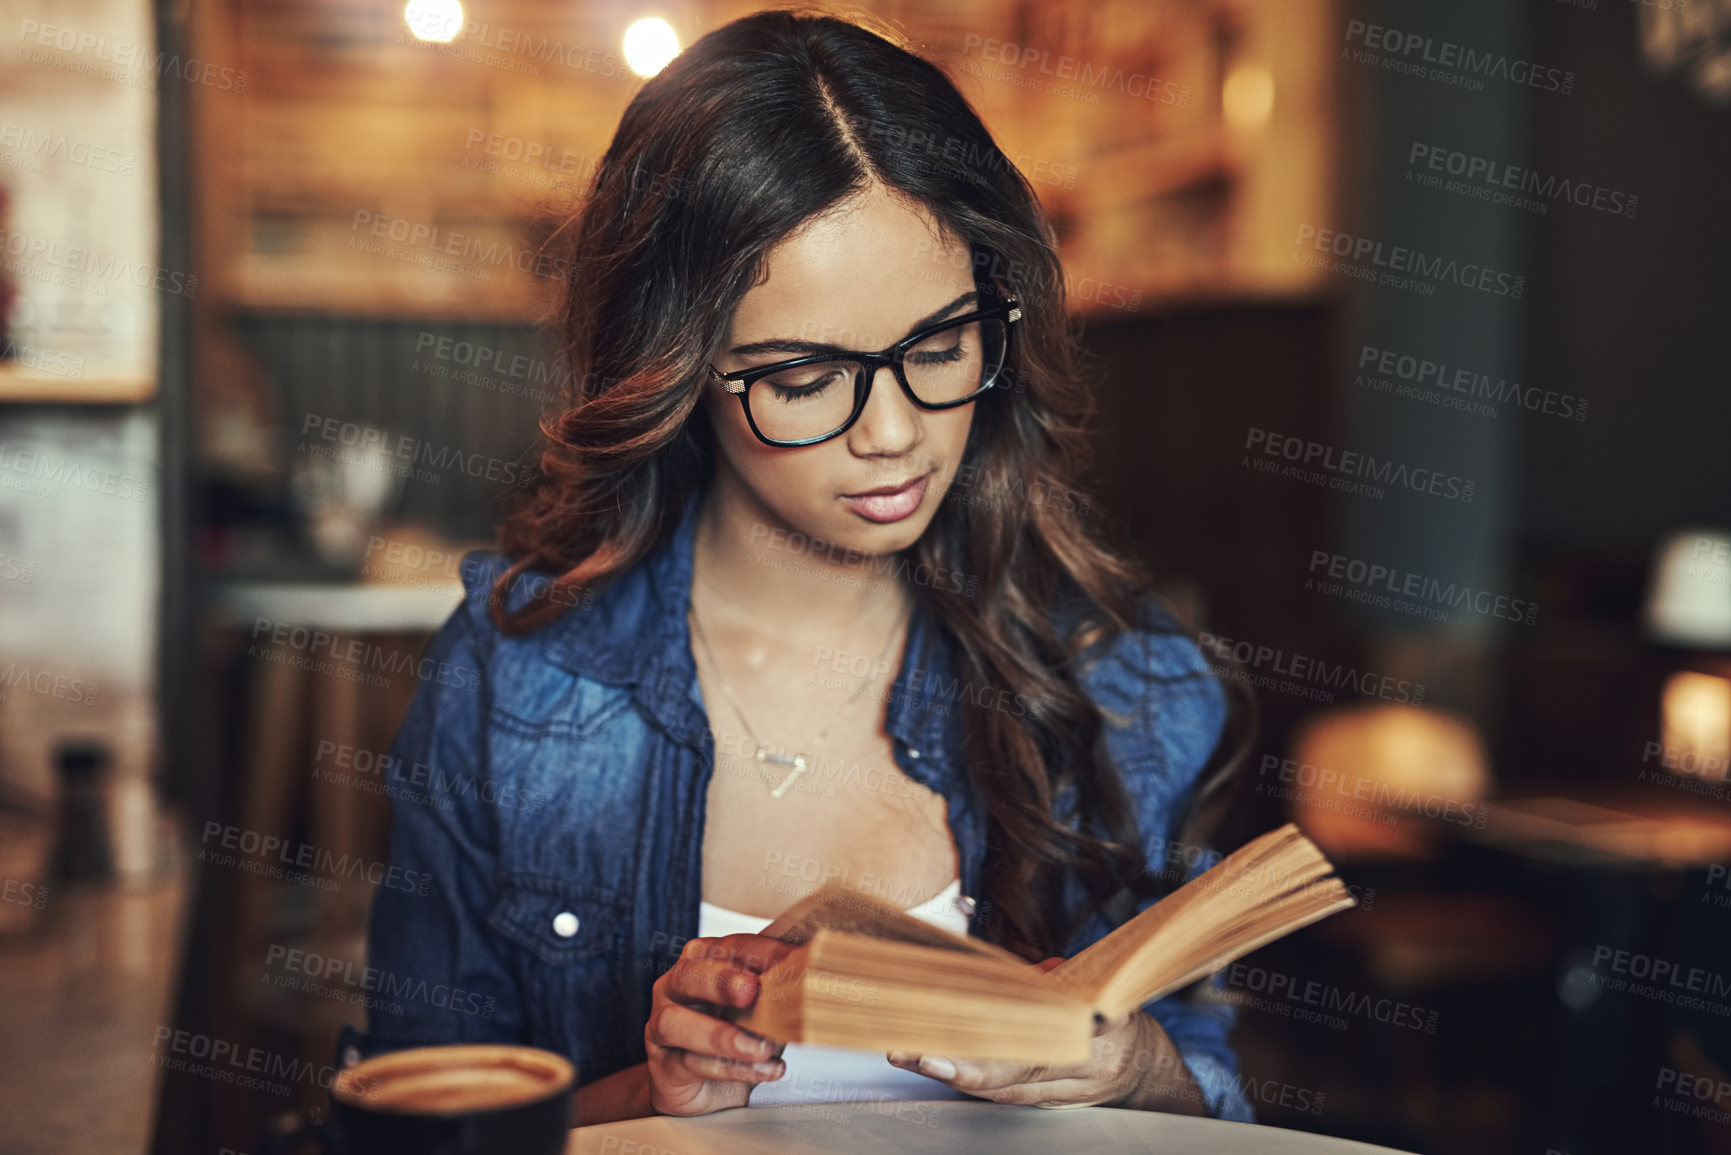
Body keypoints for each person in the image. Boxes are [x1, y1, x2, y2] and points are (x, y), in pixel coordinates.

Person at [349, 8, 1256, 1127]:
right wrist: (651, 1092)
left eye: (938, 349)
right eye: (804, 376)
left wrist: (1134, 1069)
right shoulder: (519, 679)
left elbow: (1211, 1100)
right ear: (675, 369)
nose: (892, 433)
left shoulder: (1117, 678)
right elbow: (413, 1121)